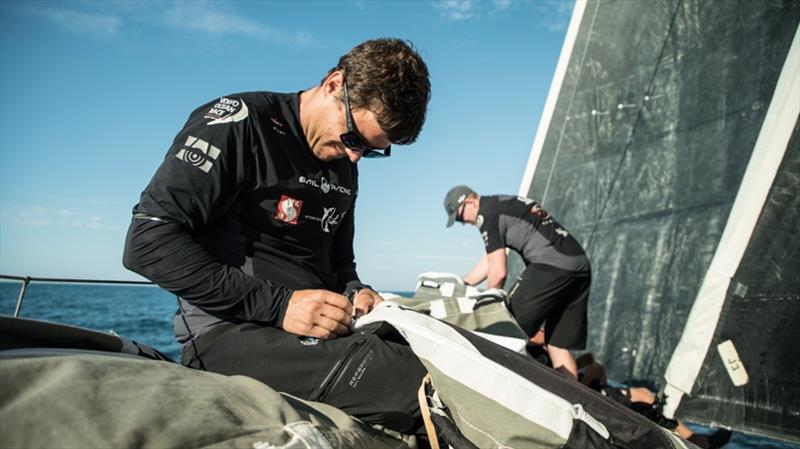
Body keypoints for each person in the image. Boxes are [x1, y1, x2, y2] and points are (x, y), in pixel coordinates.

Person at [123, 38, 431, 432]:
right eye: (354, 139)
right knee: (420, 390)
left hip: (323, 330)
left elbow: (339, 263)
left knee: (448, 364)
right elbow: (148, 240)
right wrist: (281, 306)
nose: (354, 157)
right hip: (232, 332)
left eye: (371, 151)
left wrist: (357, 291)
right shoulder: (241, 122)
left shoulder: (343, 164)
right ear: (335, 84)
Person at [443, 186, 591, 379]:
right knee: (556, 344)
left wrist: (487, 312)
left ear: (470, 203)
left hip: (551, 266)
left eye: (460, 217)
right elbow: (491, 259)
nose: (463, 223)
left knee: (504, 330)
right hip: (580, 266)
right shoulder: (501, 204)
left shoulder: (487, 214)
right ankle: (574, 400)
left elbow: (498, 272)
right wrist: (465, 283)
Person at [576, 353, 732, 449]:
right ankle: (697, 441)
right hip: (580, 394)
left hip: (588, 388)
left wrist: (581, 365)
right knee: (644, 397)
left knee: (644, 396)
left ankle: (693, 439)